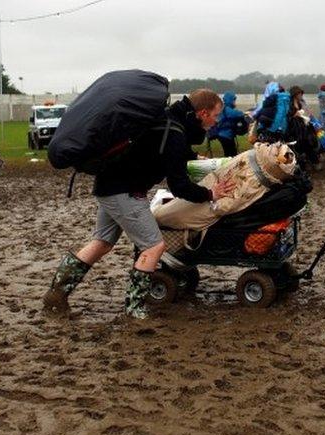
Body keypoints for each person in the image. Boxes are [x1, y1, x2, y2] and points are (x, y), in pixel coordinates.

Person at [41, 89, 236, 319]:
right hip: (125, 191)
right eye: (215, 116)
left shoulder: (168, 120)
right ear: (202, 113)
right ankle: (135, 309)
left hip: (108, 185)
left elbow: (168, 150)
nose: (216, 122)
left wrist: (195, 159)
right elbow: (179, 186)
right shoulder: (174, 131)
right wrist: (210, 193)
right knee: (153, 247)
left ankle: (56, 295)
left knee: (102, 242)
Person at [211, 91, 246, 157]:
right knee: (231, 154)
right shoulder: (227, 109)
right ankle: (229, 166)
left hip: (225, 135)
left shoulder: (224, 108)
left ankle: (229, 164)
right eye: (233, 100)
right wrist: (242, 113)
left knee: (230, 153)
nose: (234, 102)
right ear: (230, 100)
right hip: (225, 135)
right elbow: (235, 114)